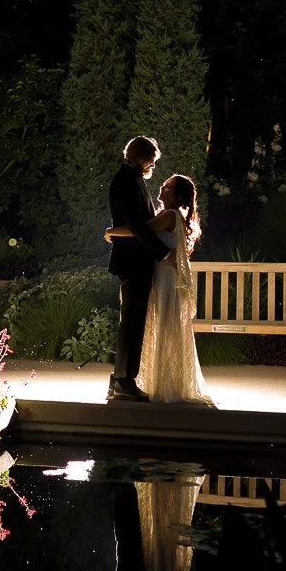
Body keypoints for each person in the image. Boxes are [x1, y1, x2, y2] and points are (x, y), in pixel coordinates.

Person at [106, 173, 215, 406]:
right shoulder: (168, 215)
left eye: (168, 187)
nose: (162, 188)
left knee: (162, 325)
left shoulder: (169, 215)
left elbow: (140, 231)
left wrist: (111, 232)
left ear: (177, 195)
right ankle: (156, 380)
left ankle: (163, 382)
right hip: (161, 276)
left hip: (165, 279)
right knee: (159, 327)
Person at [105, 136, 172, 402]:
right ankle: (124, 381)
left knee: (132, 320)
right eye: (152, 161)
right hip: (133, 261)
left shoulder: (131, 180)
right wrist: (164, 253)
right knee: (132, 321)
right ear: (143, 159)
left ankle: (119, 379)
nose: (152, 165)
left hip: (135, 260)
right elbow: (137, 226)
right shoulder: (127, 182)